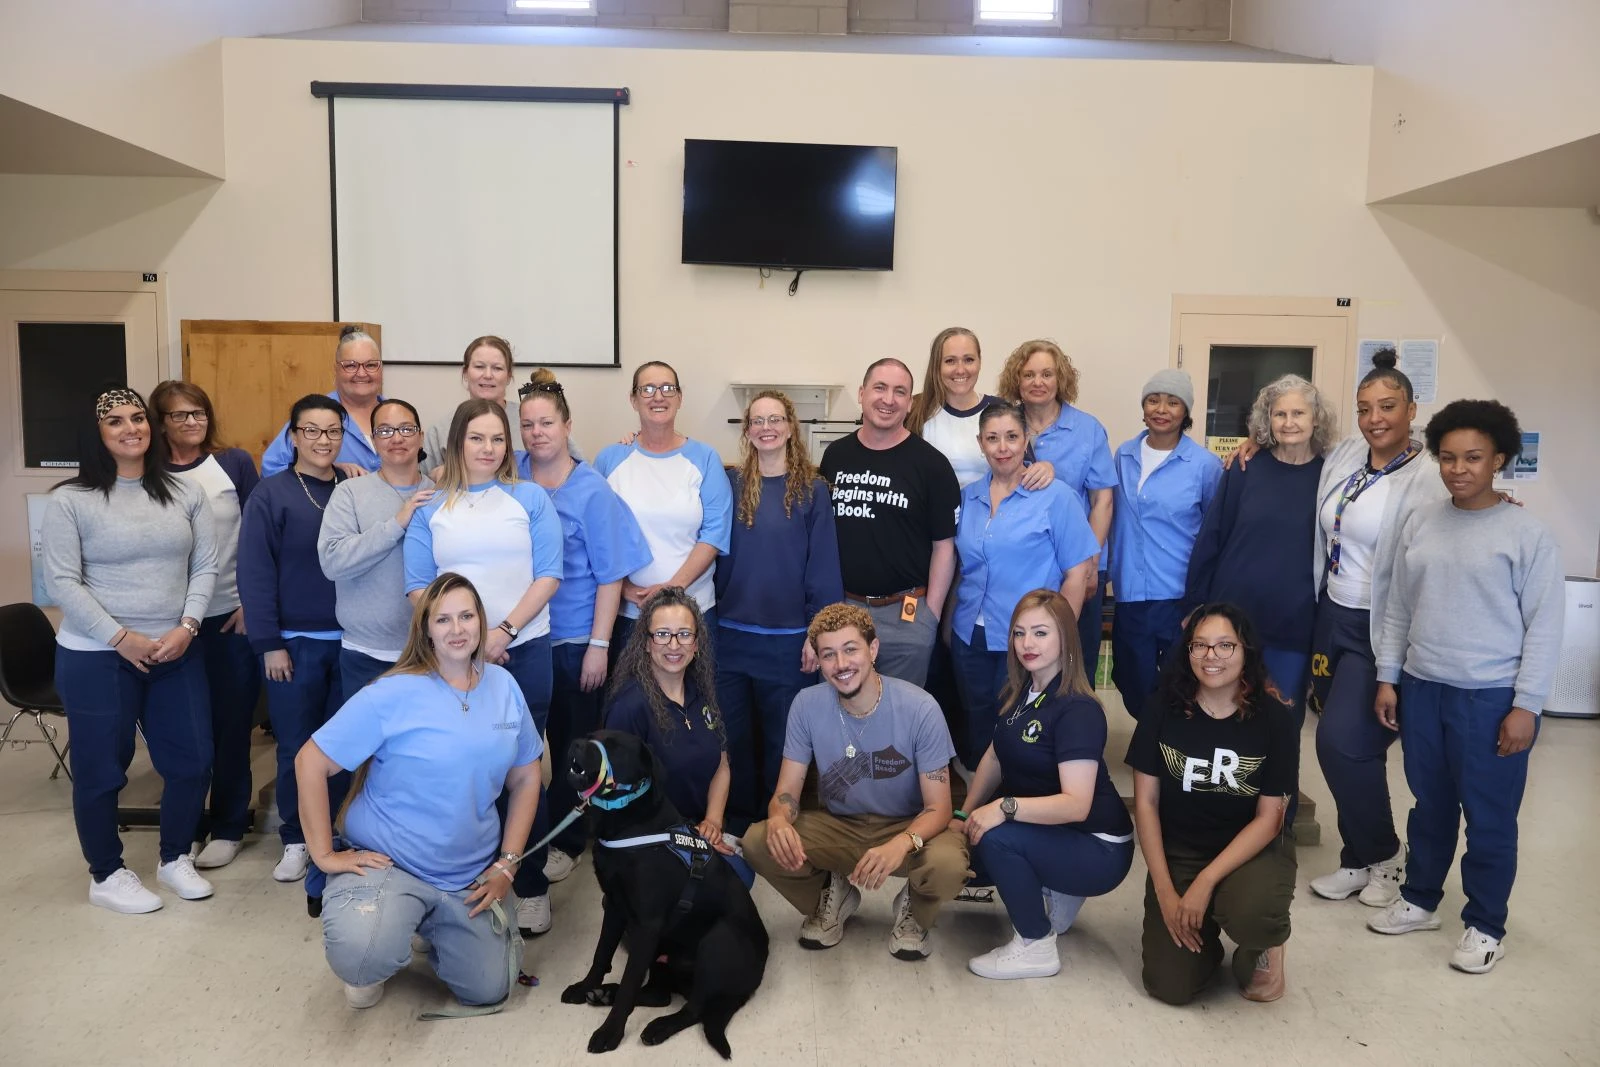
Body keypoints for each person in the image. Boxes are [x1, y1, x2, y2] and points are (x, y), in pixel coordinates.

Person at [1366, 400, 1562, 974]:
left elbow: (1545, 628)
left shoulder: (1527, 534)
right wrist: (1388, 677)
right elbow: (1399, 606)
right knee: (1429, 805)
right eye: (1448, 457)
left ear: (1498, 458)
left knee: (1489, 814)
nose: (1459, 469)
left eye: (1473, 458)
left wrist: (1526, 706)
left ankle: (1485, 924)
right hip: (1424, 686)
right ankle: (1422, 898)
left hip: (1491, 696)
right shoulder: (1422, 520)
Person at [294, 573, 540, 1011]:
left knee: (490, 988)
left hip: (467, 874)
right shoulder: (392, 693)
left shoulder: (505, 688)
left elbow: (525, 778)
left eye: (466, 616)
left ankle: (430, 923)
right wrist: (323, 855)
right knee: (362, 954)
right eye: (443, 619)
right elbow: (309, 762)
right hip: (393, 862)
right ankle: (379, 945)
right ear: (425, 629)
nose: (457, 629)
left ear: (482, 622)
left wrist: (508, 864)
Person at [43, 386, 218, 913]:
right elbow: (61, 582)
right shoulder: (70, 500)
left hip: (173, 649)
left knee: (192, 760)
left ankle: (173, 859)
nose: (131, 428)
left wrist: (187, 625)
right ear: (96, 433)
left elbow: (205, 566)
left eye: (138, 417)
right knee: (101, 769)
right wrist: (121, 638)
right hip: (97, 655)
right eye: (115, 421)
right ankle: (107, 873)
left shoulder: (186, 493)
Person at [405, 397, 563, 936]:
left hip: (525, 651)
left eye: (498, 439)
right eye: (477, 438)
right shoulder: (431, 507)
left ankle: (531, 883)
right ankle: (460, 883)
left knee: (524, 773)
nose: (489, 449)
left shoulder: (530, 498)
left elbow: (548, 574)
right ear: (457, 442)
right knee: (463, 770)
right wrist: (465, 644)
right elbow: (418, 587)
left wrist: (503, 632)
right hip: (453, 662)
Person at [742, 603, 968, 961]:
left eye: (851, 649)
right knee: (759, 840)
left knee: (949, 867)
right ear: (818, 660)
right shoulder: (806, 704)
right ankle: (831, 894)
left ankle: (915, 908)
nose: (841, 664)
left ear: (873, 650)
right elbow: (786, 792)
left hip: (907, 824)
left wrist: (900, 844)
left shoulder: (920, 708)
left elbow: (939, 808)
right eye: (828, 654)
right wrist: (779, 819)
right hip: (840, 826)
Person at [1301, 352, 1444, 907]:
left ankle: (1385, 857)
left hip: (1380, 625)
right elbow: (1298, 460)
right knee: (1340, 746)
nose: (1375, 418)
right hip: (1332, 615)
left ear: (1411, 409)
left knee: (1344, 742)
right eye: (1364, 408)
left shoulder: (1429, 475)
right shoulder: (1346, 456)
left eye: (1387, 406)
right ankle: (1359, 858)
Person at [1127, 603, 1298, 1005]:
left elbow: (1270, 819)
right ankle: (1203, 941)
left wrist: (1205, 882)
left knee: (1253, 915)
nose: (1211, 656)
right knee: (1170, 986)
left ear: (1246, 652)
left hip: (1248, 851)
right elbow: (1146, 804)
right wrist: (1168, 892)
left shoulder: (1275, 719)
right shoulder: (1161, 709)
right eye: (1200, 645)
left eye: (1225, 645)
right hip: (1181, 852)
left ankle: (1260, 945)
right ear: (1186, 653)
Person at [516, 371, 650, 882]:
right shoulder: (512, 477)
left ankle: (567, 841)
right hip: (523, 637)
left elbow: (611, 574)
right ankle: (520, 833)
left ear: (567, 425)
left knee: (573, 747)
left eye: (547, 422)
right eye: (527, 424)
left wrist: (598, 645)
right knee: (522, 749)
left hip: (574, 639)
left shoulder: (592, 489)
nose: (537, 433)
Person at [961, 591, 1134, 980]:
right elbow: (994, 755)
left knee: (995, 840)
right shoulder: (1024, 690)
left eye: (1040, 633)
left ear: (1066, 639)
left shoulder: (1078, 709)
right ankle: (1056, 892)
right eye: (1019, 633)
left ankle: (1035, 944)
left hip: (1099, 846)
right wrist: (964, 812)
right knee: (967, 847)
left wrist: (1002, 808)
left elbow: (1076, 805)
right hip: (1058, 832)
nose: (1027, 644)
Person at [714, 389, 843, 832]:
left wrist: (817, 633)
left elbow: (823, 567)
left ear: (791, 427)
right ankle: (737, 826)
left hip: (788, 641)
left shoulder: (813, 489)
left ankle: (776, 826)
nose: (766, 427)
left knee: (781, 743)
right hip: (729, 636)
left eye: (775, 419)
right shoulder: (728, 485)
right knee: (734, 738)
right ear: (747, 431)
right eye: (757, 420)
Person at [239, 394, 350, 894]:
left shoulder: (354, 487)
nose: (322, 440)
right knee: (296, 745)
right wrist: (268, 642)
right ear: (293, 437)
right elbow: (255, 574)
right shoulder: (272, 494)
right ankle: (296, 837)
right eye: (311, 431)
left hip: (351, 642)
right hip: (294, 643)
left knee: (344, 747)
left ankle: (338, 832)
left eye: (332, 431)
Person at [150, 380, 262, 870]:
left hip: (226, 617)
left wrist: (252, 604)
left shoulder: (233, 464)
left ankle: (230, 823)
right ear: (161, 422)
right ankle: (186, 824)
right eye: (179, 415)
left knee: (231, 726)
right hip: (168, 623)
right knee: (181, 732)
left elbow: (259, 537)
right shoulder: (145, 472)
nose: (191, 422)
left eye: (198, 413)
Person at [950, 403, 1098, 768]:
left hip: (1026, 638)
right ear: (980, 443)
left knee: (1018, 728)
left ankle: (1016, 806)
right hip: (970, 634)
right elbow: (960, 567)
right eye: (993, 438)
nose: (1003, 447)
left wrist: (1061, 634)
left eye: (1012, 437)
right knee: (976, 720)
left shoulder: (1056, 497)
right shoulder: (968, 497)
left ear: (1026, 439)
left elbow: (1078, 574)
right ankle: (977, 805)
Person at [1185, 374, 1336, 728]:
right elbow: (1212, 537)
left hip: (1294, 623)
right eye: (1279, 414)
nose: (1288, 423)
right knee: (1224, 714)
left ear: (1316, 418)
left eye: (1298, 413)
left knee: (1283, 719)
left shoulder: (1331, 475)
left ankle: (1279, 786)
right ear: (1266, 421)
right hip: (1232, 620)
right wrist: (1194, 607)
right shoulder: (1244, 467)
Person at [820, 359, 961, 688]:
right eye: (880, 388)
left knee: (899, 724)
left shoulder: (932, 466)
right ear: (861, 393)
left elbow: (945, 547)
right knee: (840, 717)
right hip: (844, 611)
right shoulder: (836, 456)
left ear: (910, 403)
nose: (889, 399)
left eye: (900, 392)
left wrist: (931, 617)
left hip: (907, 615)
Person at [604, 587, 753, 886]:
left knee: (741, 877)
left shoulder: (702, 692)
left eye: (684, 634)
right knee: (727, 883)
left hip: (697, 827)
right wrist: (688, 839)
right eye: (662, 634)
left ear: (696, 643)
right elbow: (619, 799)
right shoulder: (629, 706)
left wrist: (712, 822)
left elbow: (722, 763)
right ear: (645, 643)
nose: (674, 644)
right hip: (649, 837)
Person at [594, 361, 733, 649]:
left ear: (679, 398)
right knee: (630, 694)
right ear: (633, 400)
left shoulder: (705, 459)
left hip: (693, 614)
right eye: (647, 389)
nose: (659, 396)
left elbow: (715, 532)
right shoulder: (610, 460)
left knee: (694, 695)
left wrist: (674, 588)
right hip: (629, 615)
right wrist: (625, 590)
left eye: (668, 388)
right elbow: (596, 539)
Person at [1108, 370, 1222, 721]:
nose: (1162, 409)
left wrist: (1203, 601)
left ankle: (1166, 749)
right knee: (1131, 677)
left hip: (1179, 596)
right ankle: (1154, 737)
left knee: (1180, 681)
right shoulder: (1123, 455)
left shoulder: (1204, 465)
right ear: (1143, 407)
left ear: (1185, 412)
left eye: (1173, 402)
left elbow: (1215, 534)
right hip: (1130, 593)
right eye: (1153, 400)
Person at [998, 339, 1115, 673]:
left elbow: (1102, 500)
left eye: (1047, 374)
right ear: (1016, 380)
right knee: (1026, 656)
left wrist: (1091, 562)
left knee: (1075, 660)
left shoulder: (1088, 429)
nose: (1038, 382)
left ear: (1061, 378)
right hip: (1026, 561)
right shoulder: (1005, 424)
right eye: (1029, 374)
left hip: (1078, 563)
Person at [317, 398, 436, 699]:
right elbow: (333, 562)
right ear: (373, 440)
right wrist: (396, 524)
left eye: (406, 429)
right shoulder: (349, 493)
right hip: (365, 655)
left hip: (433, 653)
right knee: (366, 746)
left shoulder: (441, 496)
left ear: (421, 436)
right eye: (384, 431)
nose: (396, 438)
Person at [261, 326, 384, 477]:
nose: (361, 373)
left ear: (381, 368)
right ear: (336, 369)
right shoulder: (316, 413)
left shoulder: (396, 413)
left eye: (370, 365)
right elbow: (272, 470)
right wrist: (327, 470)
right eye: (350, 365)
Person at [422, 335, 518, 471]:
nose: (488, 375)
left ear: (508, 376)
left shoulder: (528, 423)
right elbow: (425, 481)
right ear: (465, 373)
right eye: (479, 366)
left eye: (497, 368)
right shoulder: (440, 431)